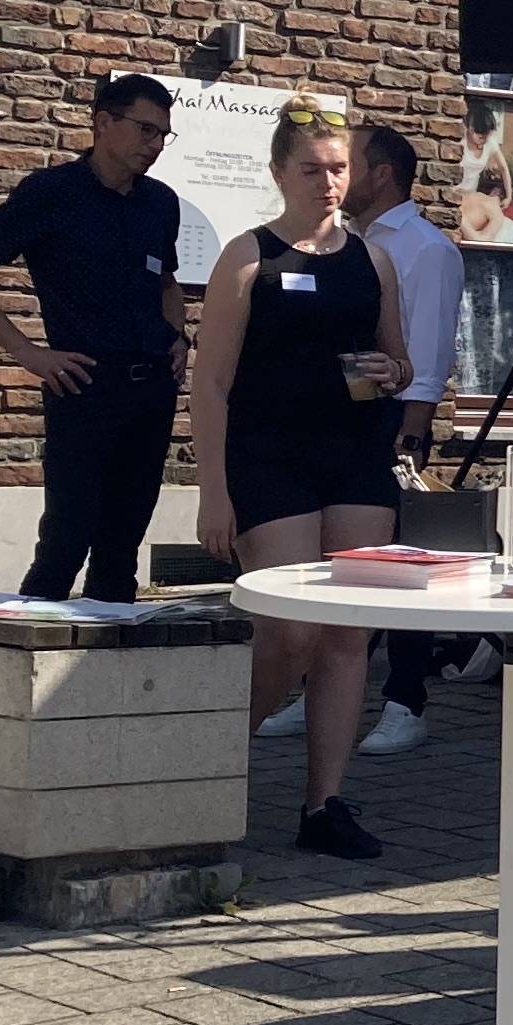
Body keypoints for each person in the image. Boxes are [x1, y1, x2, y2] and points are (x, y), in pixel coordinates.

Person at [194, 102, 409, 861]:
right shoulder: (247, 257)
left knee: (348, 634)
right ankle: (208, 763)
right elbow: (211, 384)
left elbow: (398, 361)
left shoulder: (372, 259)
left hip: (353, 455)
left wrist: (394, 371)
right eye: (312, 169)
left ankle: (325, 803)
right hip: (267, 455)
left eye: (339, 168)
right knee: (289, 632)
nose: (327, 183)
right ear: (281, 173)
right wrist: (213, 492)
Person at [0, 75, 187, 604]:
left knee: (122, 547)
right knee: (67, 538)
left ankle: (107, 673)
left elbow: (167, 281)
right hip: (83, 384)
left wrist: (179, 337)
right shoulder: (51, 194)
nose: (154, 145)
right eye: (146, 130)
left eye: (164, 135)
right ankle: (26, 657)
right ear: (103, 123)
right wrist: (27, 352)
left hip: (150, 389)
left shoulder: (161, 203)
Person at [349, 124, 472, 758]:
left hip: (394, 418)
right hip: (344, 415)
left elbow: (429, 349)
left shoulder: (427, 249)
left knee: (402, 565)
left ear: (381, 175)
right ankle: (320, 688)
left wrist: (413, 429)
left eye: (350, 162)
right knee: (348, 560)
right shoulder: (349, 241)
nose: (337, 174)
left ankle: (406, 701)